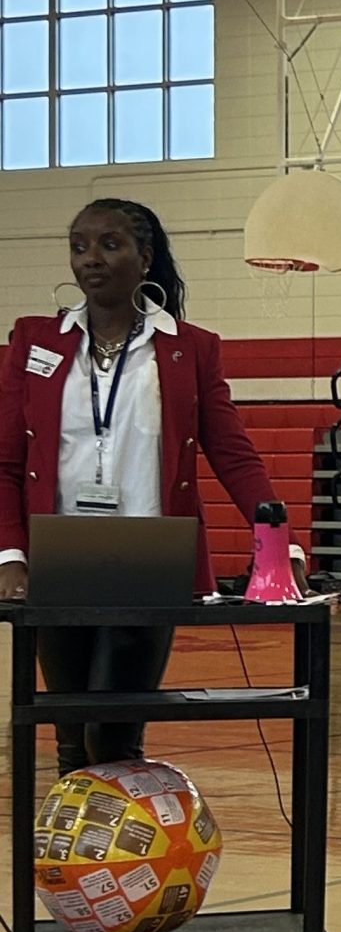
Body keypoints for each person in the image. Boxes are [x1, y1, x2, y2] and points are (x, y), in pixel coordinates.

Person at [0, 196, 279, 777]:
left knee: (113, 731)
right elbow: (5, 462)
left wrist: (281, 545)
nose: (90, 259)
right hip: (58, 555)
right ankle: (74, 866)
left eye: (109, 244)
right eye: (79, 247)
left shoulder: (191, 348)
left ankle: (130, 865)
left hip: (151, 556)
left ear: (144, 257)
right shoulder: (34, 342)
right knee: (71, 737)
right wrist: (11, 555)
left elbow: (232, 454)